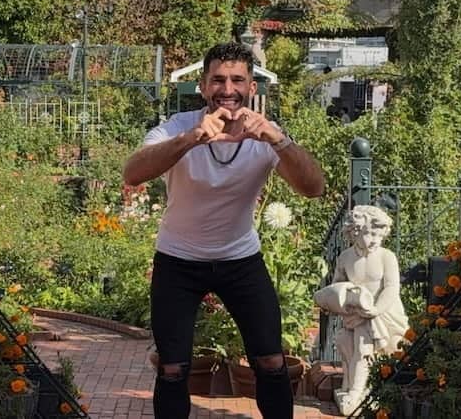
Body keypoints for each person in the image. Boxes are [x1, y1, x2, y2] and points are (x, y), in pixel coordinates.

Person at [123, 42, 326, 419]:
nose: (227, 89)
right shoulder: (179, 128)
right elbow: (132, 173)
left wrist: (277, 140)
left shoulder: (266, 135)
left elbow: (314, 188)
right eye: (218, 79)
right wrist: (192, 139)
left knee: (270, 360)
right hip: (178, 260)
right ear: (203, 86)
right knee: (172, 368)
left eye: (237, 80)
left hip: (240, 260)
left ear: (251, 87)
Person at [314, 205, 409, 416]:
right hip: (356, 314)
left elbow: (392, 287)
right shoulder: (346, 258)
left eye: (379, 235)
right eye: (369, 233)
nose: (375, 239)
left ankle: (357, 392)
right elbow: (337, 287)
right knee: (347, 343)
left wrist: (376, 309)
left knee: (363, 347)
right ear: (355, 232)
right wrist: (333, 303)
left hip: (384, 313)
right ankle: (351, 386)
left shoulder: (386, 256)